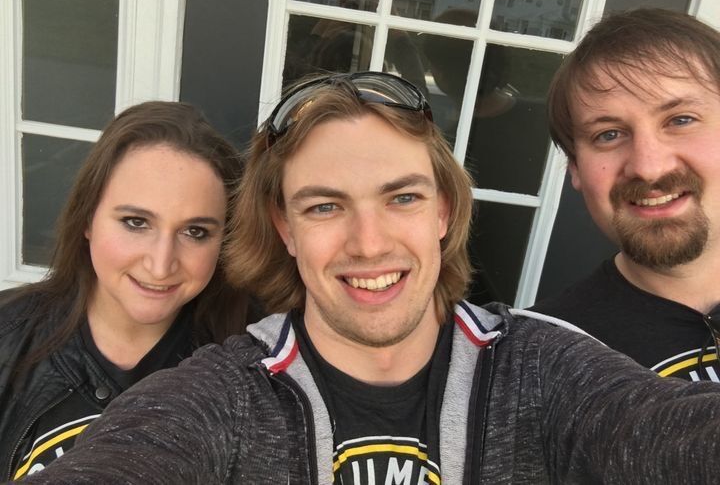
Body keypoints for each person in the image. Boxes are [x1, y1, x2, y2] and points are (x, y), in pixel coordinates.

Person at [19, 72, 720, 484]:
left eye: (402, 197)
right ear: (286, 229)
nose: (369, 242)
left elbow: (667, 434)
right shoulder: (224, 390)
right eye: (325, 206)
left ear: (444, 210)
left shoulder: (542, 366)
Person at [0, 101, 255, 480]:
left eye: (195, 232)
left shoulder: (250, 363)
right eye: (136, 222)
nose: (160, 263)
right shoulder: (7, 336)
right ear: (87, 219)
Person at [530, 8, 720, 382]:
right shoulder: (542, 363)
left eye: (680, 120)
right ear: (575, 169)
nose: (648, 167)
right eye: (609, 134)